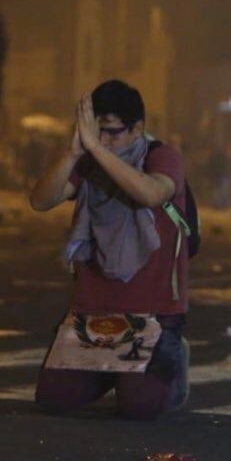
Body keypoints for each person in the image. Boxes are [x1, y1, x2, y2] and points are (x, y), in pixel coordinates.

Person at [29, 79, 190, 420]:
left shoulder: (161, 156)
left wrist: (96, 151)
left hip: (152, 309)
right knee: (54, 399)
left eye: (113, 132)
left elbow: (149, 193)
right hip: (95, 310)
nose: (103, 141)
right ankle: (115, 370)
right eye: (96, 131)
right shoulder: (88, 161)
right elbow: (41, 200)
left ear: (138, 129)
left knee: (140, 407)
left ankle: (170, 364)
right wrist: (74, 152)